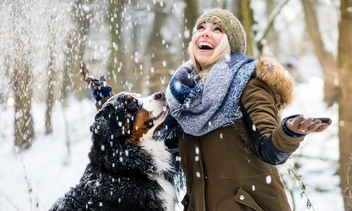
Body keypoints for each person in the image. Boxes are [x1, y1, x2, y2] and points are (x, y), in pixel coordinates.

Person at [81, 8, 332, 211]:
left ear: (230, 44)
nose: (205, 33)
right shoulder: (183, 95)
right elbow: (150, 139)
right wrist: (108, 104)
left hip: (249, 206)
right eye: (200, 28)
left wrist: (288, 132)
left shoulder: (249, 83)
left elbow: (270, 149)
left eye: (217, 29)